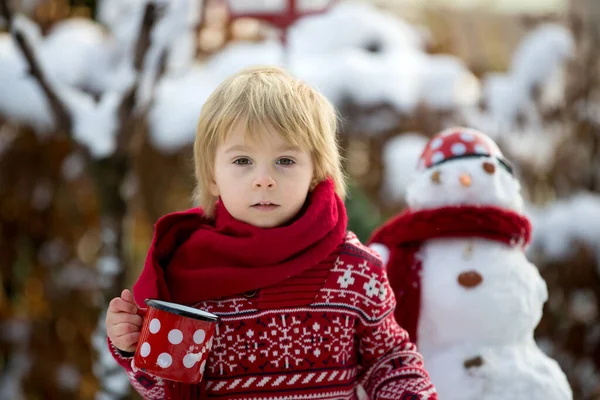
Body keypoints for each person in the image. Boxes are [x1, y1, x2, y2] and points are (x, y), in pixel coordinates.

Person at [106, 66, 437, 400]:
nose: (263, 179)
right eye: (242, 161)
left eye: (285, 161)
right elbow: (168, 389)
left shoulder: (353, 271)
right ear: (212, 177)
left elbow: (388, 360)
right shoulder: (189, 273)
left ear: (315, 172)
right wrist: (131, 345)